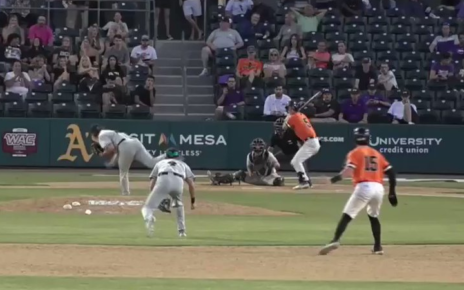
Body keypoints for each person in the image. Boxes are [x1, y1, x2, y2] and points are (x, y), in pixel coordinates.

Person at [319, 127, 398, 255]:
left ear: (355, 138)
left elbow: (348, 171)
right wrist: (392, 192)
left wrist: (333, 180)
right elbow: (391, 172)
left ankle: (335, 240)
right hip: (378, 188)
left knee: (347, 215)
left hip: (364, 187)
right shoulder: (376, 153)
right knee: (373, 216)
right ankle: (378, 247)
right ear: (368, 138)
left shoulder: (355, 153)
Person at [90, 124, 166, 196]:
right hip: (135, 143)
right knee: (151, 162)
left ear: (93, 134)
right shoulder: (112, 133)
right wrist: (112, 162)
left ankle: (125, 193)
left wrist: (102, 154)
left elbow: (111, 148)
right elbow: (117, 151)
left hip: (125, 146)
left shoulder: (101, 136)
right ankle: (168, 154)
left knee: (123, 172)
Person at [142, 147, 196, 237]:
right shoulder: (183, 164)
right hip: (178, 182)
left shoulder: (160, 163)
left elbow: (152, 182)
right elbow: (191, 184)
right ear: (178, 156)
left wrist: (155, 197)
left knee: (147, 208)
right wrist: (193, 202)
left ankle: (149, 218)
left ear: (166, 156)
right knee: (179, 205)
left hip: (163, 180)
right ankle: (182, 232)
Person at [207, 138, 285, 186]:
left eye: (259, 146)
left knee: (279, 181)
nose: (257, 148)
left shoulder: (268, 154)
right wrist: (251, 174)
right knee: (239, 174)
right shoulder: (250, 156)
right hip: (256, 177)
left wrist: (273, 168)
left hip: (269, 177)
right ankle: (218, 179)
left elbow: (277, 164)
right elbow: (249, 169)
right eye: (256, 146)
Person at [283, 100, 320, 189]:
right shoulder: (301, 115)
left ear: (292, 108)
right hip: (311, 142)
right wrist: (290, 115)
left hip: (311, 143)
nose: (288, 109)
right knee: (296, 161)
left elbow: (283, 127)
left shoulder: (294, 117)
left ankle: (304, 181)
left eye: (289, 108)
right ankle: (306, 181)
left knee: (296, 161)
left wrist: (288, 117)